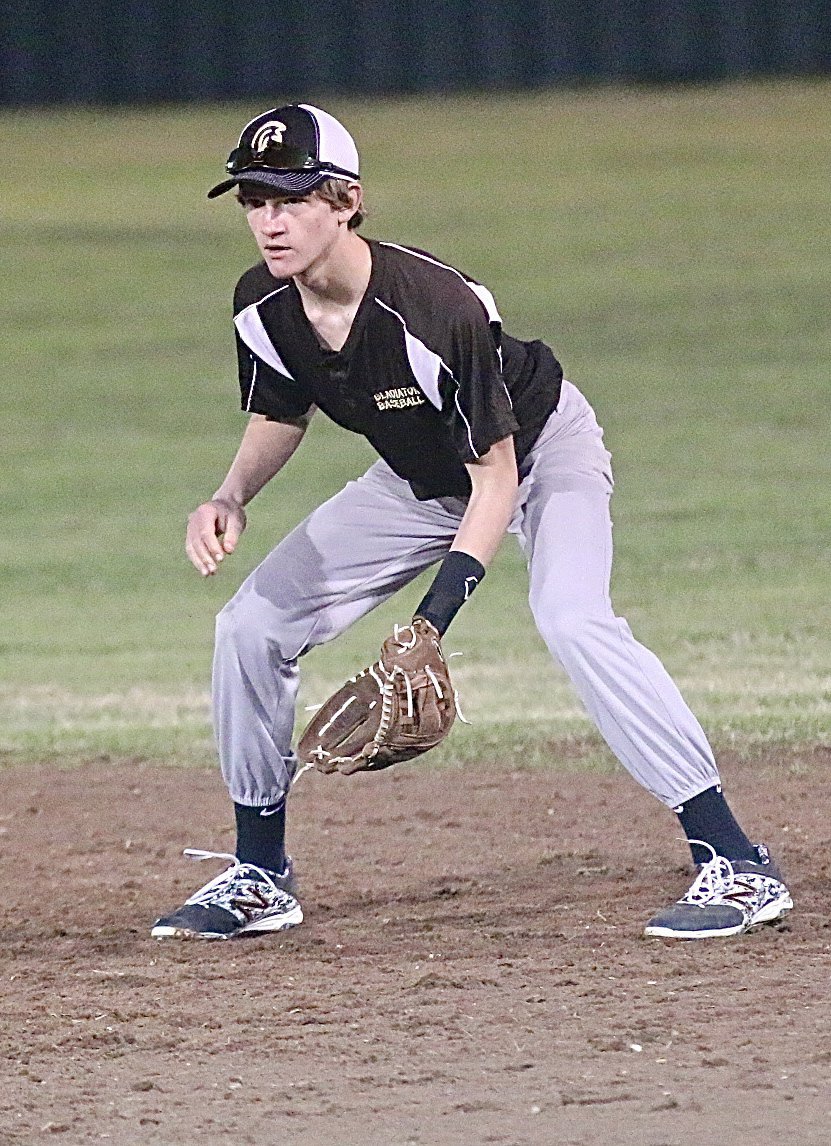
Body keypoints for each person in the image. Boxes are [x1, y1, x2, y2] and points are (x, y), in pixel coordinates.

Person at [151, 103, 793, 942]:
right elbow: (281, 408)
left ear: (345, 201)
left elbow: (494, 481)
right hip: (418, 479)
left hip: (536, 452)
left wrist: (430, 624)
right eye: (254, 200)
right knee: (250, 626)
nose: (270, 220)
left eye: (292, 197)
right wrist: (230, 494)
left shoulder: (432, 307)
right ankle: (260, 875)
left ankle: (735, 862)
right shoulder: (261, 303)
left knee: (573, 619)